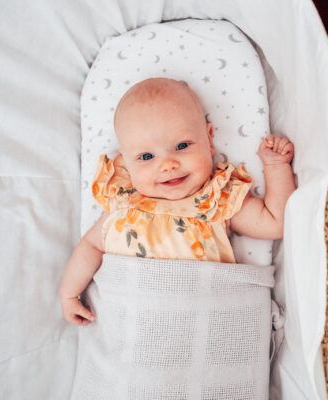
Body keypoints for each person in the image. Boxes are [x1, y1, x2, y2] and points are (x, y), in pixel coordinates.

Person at [59, 77, 295, 325]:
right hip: (134, 321)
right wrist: (69, 293)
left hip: (200, 322)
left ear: (209, 139)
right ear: (125, 161)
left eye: (182, 146)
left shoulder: (214, 201)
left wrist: (276, 167)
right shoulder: (122, 204)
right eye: (146, 156)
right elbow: (91, 247)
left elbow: (277, 222)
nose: (168, 165)